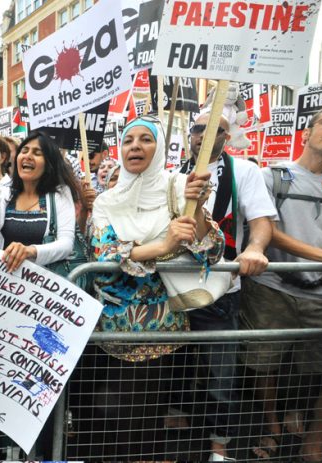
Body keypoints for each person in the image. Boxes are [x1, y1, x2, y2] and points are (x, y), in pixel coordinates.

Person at [83, 116, 224, 457]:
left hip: (162, 329)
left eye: (146, 139)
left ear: (159, 148)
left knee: (143, 420)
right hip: (111, 330)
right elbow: (105, 252)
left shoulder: (179, 188)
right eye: (129, 140)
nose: (135, 146)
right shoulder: (106, 201)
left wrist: (199, 209)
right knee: (105, 415)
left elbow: (213, 250)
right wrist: (162, 247)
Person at [239, 101, 322, 462]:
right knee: (264, 364)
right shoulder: (270, 177)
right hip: (272, 287)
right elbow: (266, 232)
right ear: (307, 131)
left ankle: (314, 443)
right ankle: (273, 424)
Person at [178, 112, 276, 460]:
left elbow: (261, 221)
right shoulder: (171, 173)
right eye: (197, 128)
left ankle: (220, 445)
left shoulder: (245, 171)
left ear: (227, 135)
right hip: (171, 287)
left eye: (213, 129)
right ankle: (173, 432)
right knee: (175, 366)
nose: (203, 135)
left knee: (222, 371)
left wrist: (255, 248)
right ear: (189, 135)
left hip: (221, 288)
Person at [0, 130, 83, 272]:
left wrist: (30, 251)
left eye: (37, 153)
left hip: (43, 287)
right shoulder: (5, 191)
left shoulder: (60, 194)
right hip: (6, 285)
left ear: (49, 162)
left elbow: (66, 244)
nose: (28, 156)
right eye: (24, 150)